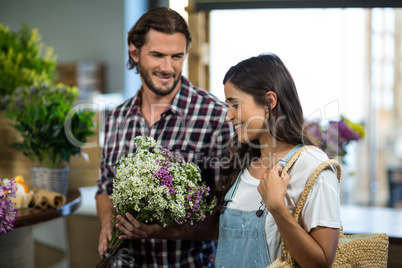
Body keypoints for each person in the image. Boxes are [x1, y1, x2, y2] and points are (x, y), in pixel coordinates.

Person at [118, 53, 342, 268]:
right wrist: (158, 230)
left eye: (235, 104)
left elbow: (321, 263)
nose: (228, 115)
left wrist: (277, 208)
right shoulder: (241, 163)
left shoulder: (312, 167)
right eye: (228, 105)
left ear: (269, 101)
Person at [95, 7, 233, 267]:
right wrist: (107, 224)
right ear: (134, 52)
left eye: (176, 56)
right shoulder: (115, 118)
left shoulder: (216, 118)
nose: (168, 67)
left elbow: (227, 217)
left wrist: (163, 230)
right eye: (157, 55)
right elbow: (104, 189)